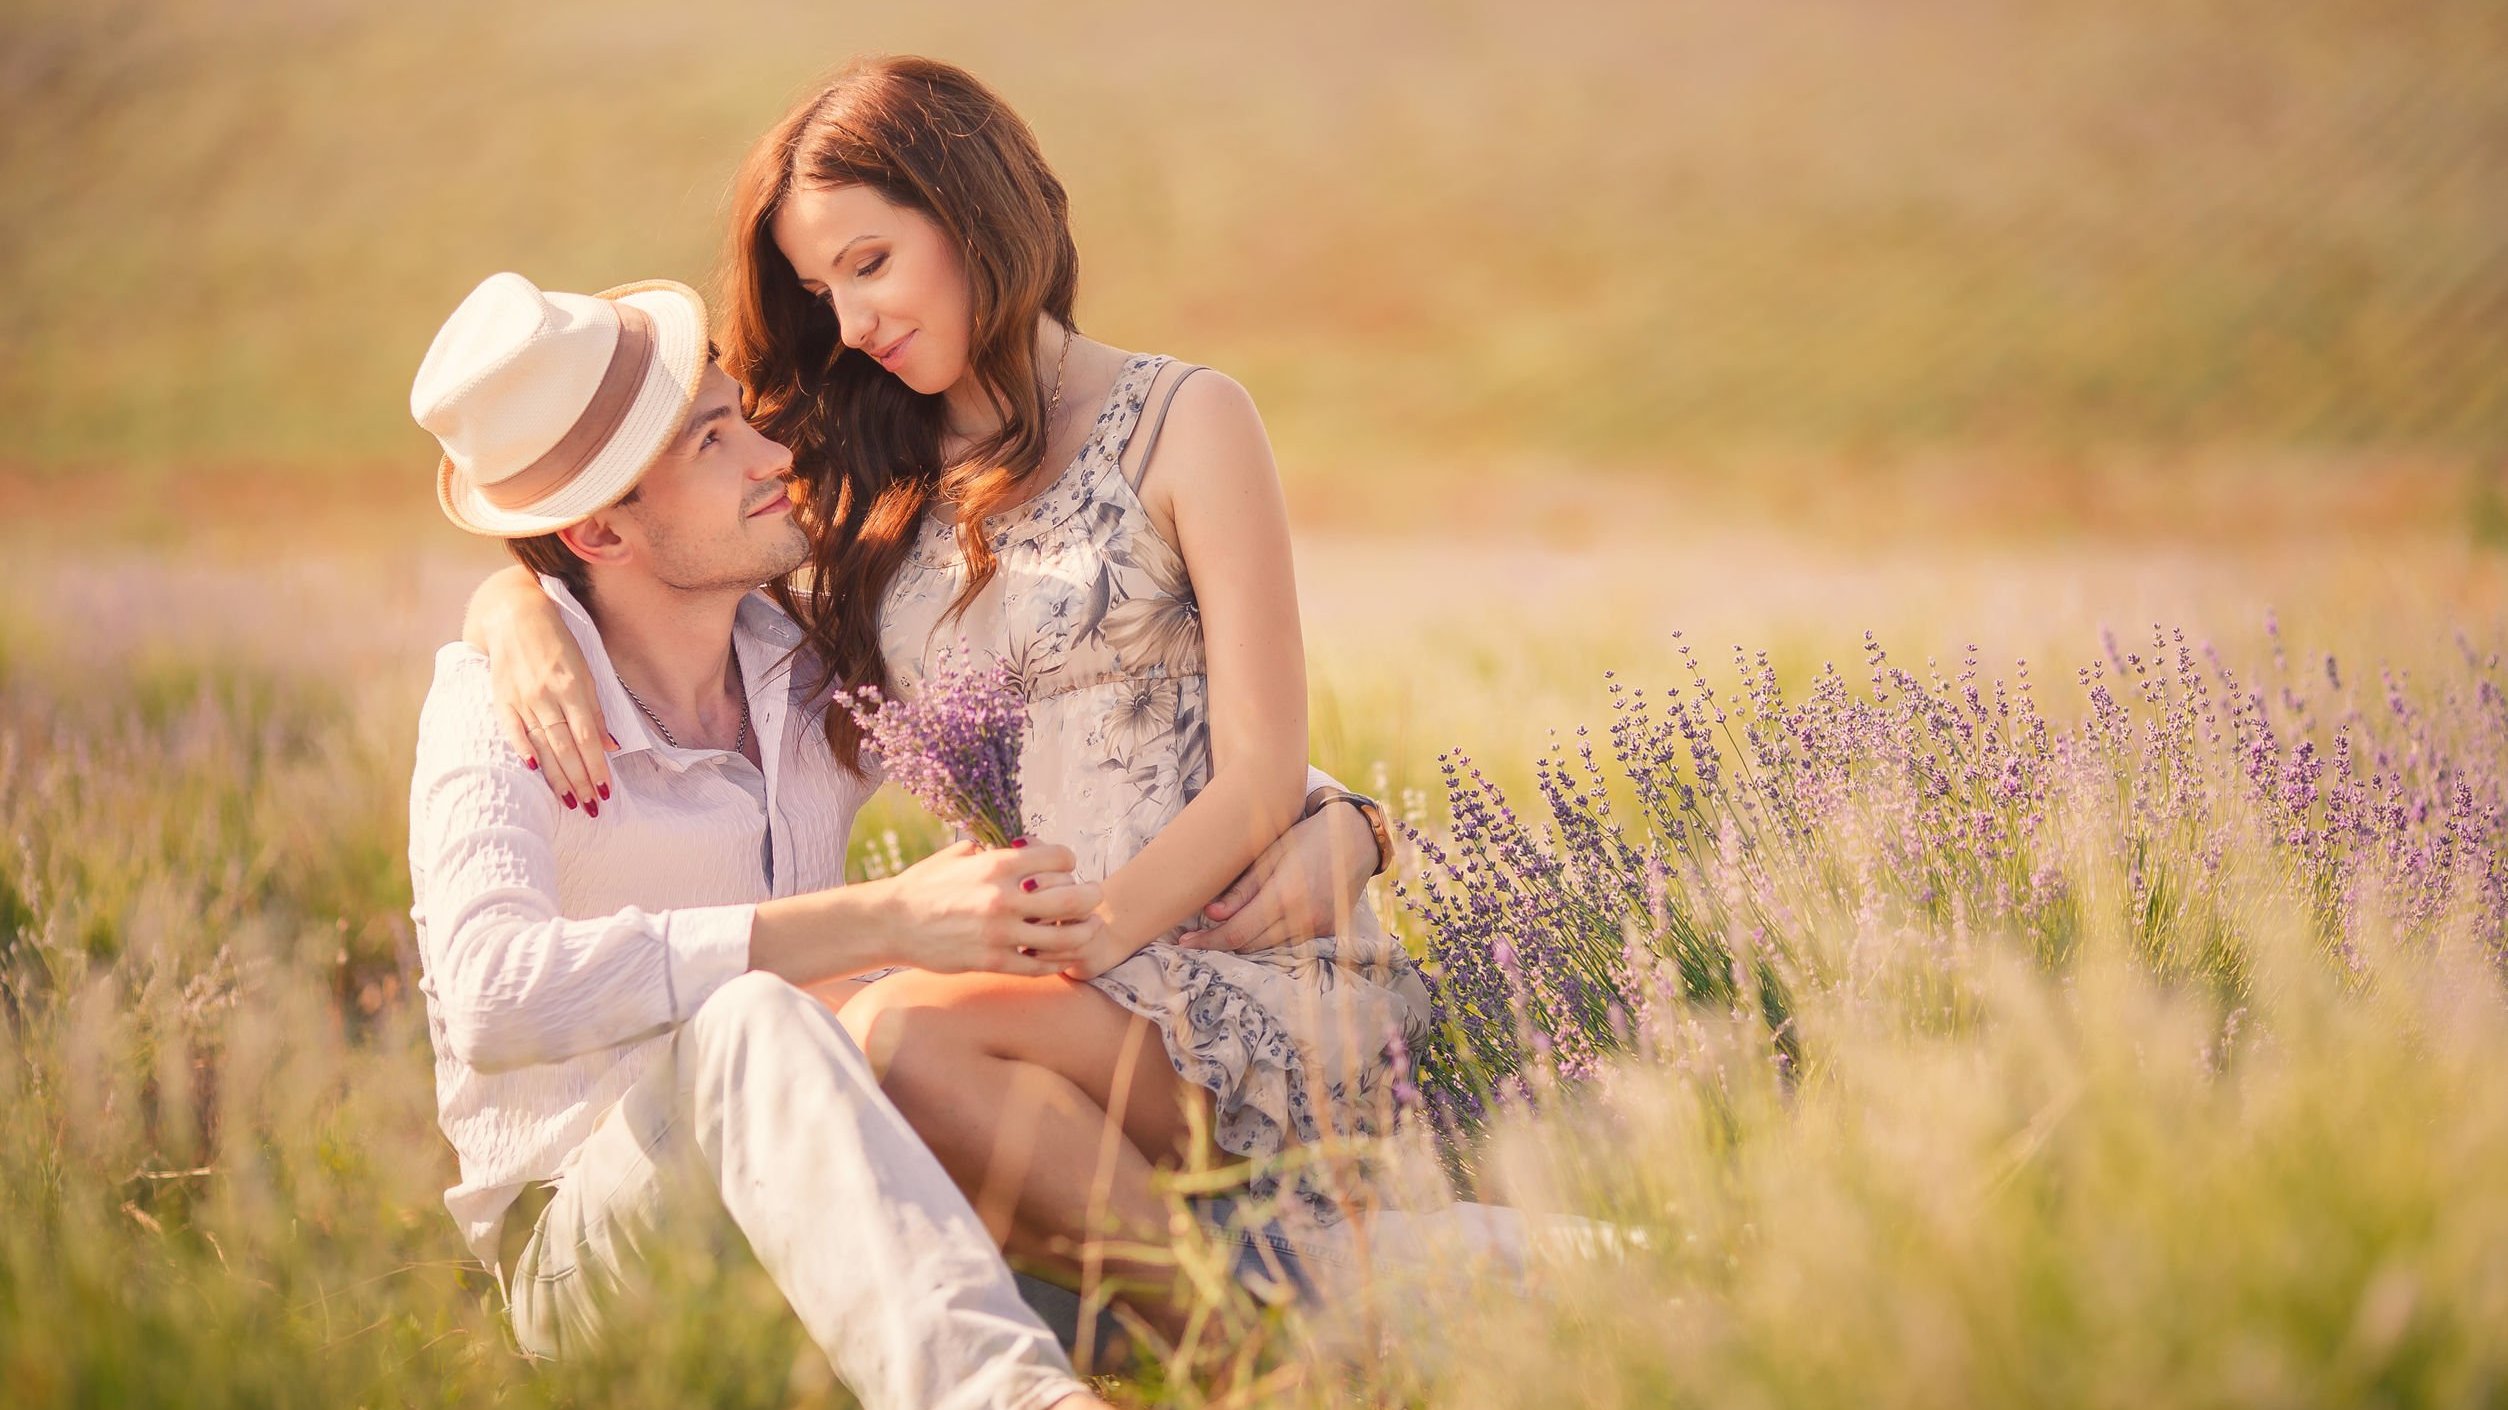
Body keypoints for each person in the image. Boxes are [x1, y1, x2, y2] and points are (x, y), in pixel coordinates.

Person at [466, 55, 1431, 1322]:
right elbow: (643, 525)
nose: (852, 322)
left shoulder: (1190, 419)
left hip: (1228, 978)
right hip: (1032, 995)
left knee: (906, 1032)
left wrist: (1344, 830)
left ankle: (1246, 1354)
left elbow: (1259, 764)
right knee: (891, 1037)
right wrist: (512, 605)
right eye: (822, 290)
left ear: (969, 206)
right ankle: (1239, 1357)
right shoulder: (863, 487)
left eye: (869, 263)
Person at [410, 269, 1362, 1402]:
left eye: (741, 417)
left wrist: (1341, 813)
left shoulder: (806, 669)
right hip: (595, 1247)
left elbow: (1098, 738)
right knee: (754, 1024)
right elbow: (491, 996)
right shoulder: (495, 707)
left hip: (829, 1198)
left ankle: (1272, 1362)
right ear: (599, 532)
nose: (772, 456)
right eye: (714, 442)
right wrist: (877, 921)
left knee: (1093, 1196)